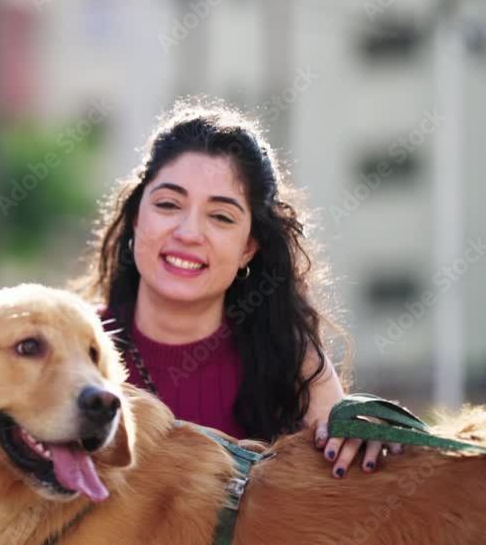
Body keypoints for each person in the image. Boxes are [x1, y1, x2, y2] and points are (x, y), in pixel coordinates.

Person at [75, 98, 401, 480]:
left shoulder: (290, 361)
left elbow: (345, 503)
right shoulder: (74, 347)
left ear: (249, 247)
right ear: (135, 217)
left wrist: (364, 440)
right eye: (168, 204)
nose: (188, 233)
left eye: (220, 216)